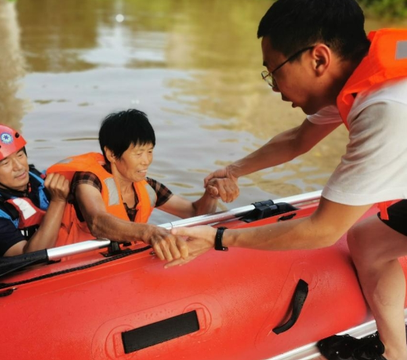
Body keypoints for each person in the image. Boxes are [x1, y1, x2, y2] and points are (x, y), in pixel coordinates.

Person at [167, 1, 407, 360]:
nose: (275, 88)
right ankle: (395, 354)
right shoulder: (363, 69)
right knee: (369, 241)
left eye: (273, 71)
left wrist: (218, 238)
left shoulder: (385, 109)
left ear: (318, 59)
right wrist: (233, 171)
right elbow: (298, 139)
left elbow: (323, 230)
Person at [47, 109, 235, 262]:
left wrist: (212, 194)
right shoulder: (88, 180)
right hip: (75, 267)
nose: (146, 161)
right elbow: (97, 222)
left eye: (150, 151)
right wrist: (148, 231)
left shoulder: (146, 187)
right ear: (112, 154)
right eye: (138, 154)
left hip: (119, 264)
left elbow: (195, 213)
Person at [0, 122, 70, 259]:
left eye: (20, 155)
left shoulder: (33, 177)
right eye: (5, 163)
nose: (19, 167)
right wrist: (58, 201)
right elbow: (33, 261)